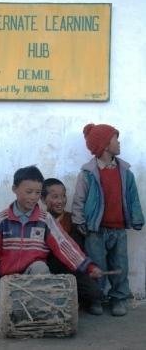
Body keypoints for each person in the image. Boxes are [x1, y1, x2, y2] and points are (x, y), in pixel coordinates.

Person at [0, 165, 102, 326]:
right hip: (8, 279)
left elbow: (64, 245)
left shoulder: (45, 220)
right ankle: (27, 309)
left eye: (37, 192)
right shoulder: (2, 220)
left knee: (40, 267)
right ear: (14, 189)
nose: (33, 197)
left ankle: (33, 309)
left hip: (33, 275)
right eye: (28, 192)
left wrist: (89, 267)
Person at [72, 123, 145, 316]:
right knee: (97, 265)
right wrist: (79, 221)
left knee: (120, 265)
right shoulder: (87, 174)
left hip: (119, 229)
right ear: (105, 145)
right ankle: (96, 299)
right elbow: (79, 199)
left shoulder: (125, 172)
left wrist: (137, 217)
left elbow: (133, 197)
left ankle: (118, 298)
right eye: (115, 138)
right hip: (95, 230)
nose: (119, 142)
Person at [41, 178, 102, 314]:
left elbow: (79, 251)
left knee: (94, 292)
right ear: (43, 199)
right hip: (50, 271)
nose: (61, 201)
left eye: (63, 196)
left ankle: (81, 300)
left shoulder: (73, 220)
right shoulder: (40, 221)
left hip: (73, 270)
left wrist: (90, 268)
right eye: (55, 196)